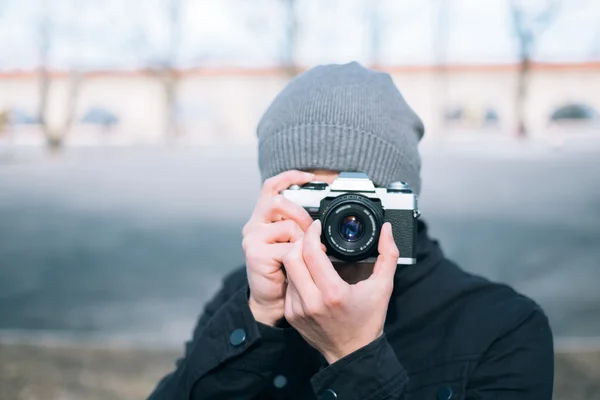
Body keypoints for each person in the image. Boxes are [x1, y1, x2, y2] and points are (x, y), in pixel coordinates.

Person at [148, 62, 554, 399]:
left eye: (359, 201)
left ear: (403, 202)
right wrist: (256, 321)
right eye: (313, 199)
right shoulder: (243, 296)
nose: (341, 222)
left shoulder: (502, 327)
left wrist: (354, 354)